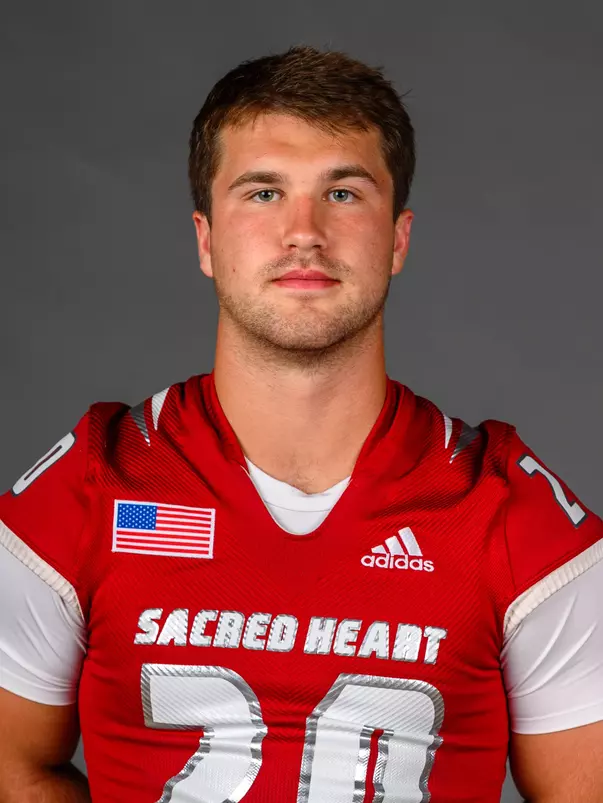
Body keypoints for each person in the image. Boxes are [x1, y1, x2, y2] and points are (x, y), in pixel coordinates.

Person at [0, 45, 602, 803]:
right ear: (205, 240)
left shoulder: (514, 516)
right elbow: (9, 763)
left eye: (344, 194)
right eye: (261, 193)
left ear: (398, 238)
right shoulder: (88, 485)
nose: (303, 232)